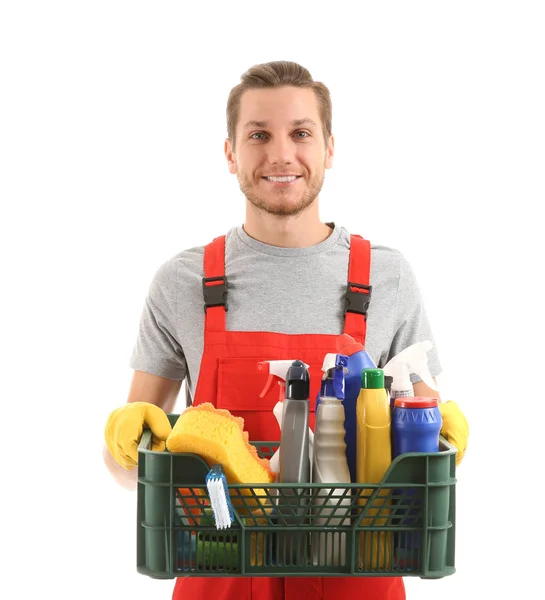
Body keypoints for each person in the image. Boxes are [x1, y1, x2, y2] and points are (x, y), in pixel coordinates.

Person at [103, 60, 469, 600]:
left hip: (357, 579)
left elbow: (421, 454)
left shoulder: (386, 277)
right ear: (230, 152)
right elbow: (125, 470)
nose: (281, 154)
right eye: (258, 135)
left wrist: (442, 441)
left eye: (301, 133)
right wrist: (126, 445)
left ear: (329, 148)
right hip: (218, 574)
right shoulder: (183, 282)